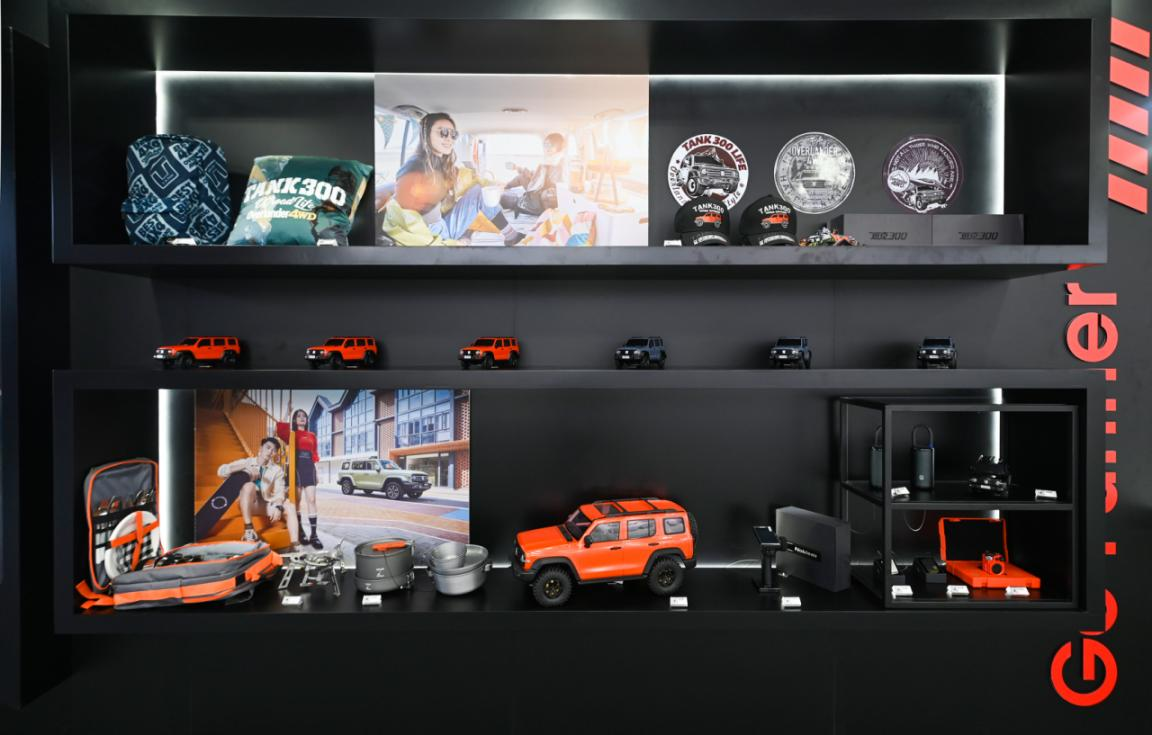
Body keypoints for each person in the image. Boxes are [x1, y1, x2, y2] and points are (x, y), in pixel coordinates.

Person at [392, 112, 524, 245]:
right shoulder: (417, 166)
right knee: (479, 193)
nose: (449, 138)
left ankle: (506, 235)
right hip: (434, 234)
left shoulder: (436, 164)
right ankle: (510, 236)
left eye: (453, 134)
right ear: (426, 134)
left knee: (479, 192)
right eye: (443, 132)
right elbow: (407, 214)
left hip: (438, 225)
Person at [217, 436, 301, 550]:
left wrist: (278, 506)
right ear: (261, 448)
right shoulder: (246, 462)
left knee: (290, 506)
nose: (270, 451)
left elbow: (279, 492)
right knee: (249, 485)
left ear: (275, 454)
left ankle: (295, 545)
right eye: (268, 447)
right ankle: (249, 530)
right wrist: (244, 466)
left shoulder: (277, 470)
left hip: (263, 503)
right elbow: (221, 471)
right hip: (247, 502)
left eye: (274, 450)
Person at [277, 409, 323, 550]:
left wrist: (317, 472)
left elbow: (314, 454)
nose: (302, 418)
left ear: (307, 420)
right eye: (298, 416)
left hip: (309, 467)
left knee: (312, 500)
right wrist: (287, 411)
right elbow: (281, 430)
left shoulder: (312, 435)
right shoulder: (292, 434)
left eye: (304, 416)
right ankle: (300, 532)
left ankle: (314, 535)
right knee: (297, 501)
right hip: (296, 468)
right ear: (295, 420)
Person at [500, 132, 566, 217]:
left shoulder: (558, 162)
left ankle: (509, 194)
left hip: (541, 198)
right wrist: (517, 168)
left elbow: (552, 184)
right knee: (521, 177)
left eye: (550, 145)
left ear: (558, 146)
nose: (547, 148)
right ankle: (505, 187)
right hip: (537, 192)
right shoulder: (547, 161)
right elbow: (537, 177)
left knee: (504, 198)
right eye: (545, 145)